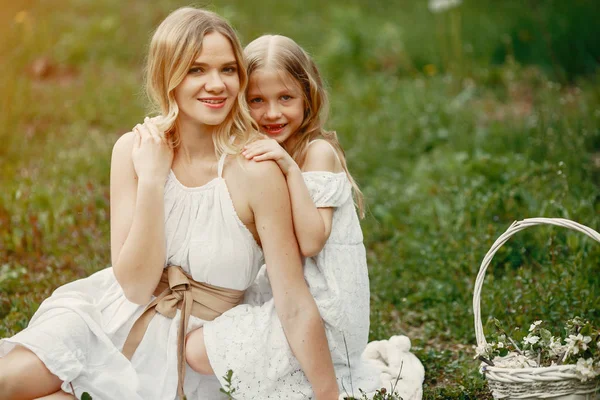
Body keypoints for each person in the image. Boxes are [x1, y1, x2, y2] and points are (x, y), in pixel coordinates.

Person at [0, 8, 339, 400]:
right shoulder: (134, 150)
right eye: (197, 70)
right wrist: (151, 180)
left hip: (186, 347)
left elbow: (294, 303)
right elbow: (136, 285)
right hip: (112, 316)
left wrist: (329, 394)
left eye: (228, 70)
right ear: (168, 76)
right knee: (9, 382)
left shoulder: (256, 172)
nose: (217, 85)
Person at [179, 34, 383, 399]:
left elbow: (310, 241)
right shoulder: (256, 154)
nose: (272, 113)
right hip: (289, 296)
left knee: (195, 349)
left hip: (326, 313)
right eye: (257, 100)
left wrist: (290, 170)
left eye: (285, 98)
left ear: (308, 96)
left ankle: (318, 385)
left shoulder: (317, 153)